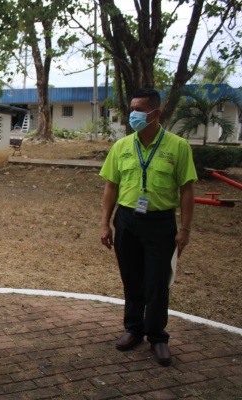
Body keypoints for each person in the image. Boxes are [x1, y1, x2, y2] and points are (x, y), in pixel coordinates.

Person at [99, 88, 197, 366]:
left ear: (156, 113)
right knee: (131, 278)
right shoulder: (121, 146)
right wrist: (105, 223)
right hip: (127, 219)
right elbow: (111, 186)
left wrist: (185, 229)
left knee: (157, 282)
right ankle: (133, 329)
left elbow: (187, 190)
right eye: (131, 109)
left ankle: (157, 337)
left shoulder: (178, 146)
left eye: (139, 110)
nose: (133, 115)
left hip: (160, 222)